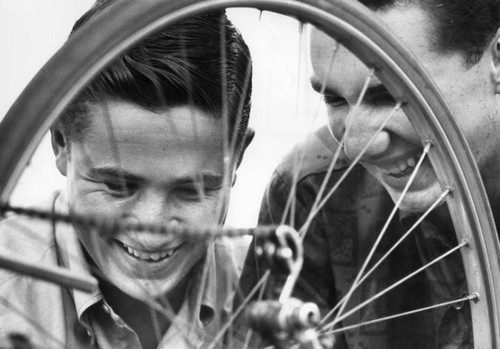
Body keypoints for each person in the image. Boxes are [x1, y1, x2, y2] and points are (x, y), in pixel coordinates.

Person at [237, 0, 500, 348]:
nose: (356, 145)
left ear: (496, 59)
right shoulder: (310, 189)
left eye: (391, 95)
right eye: (335, 99)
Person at [0, 0, 253, 348]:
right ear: (61, 142)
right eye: (118, 186)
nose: (152, 230)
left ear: (237, 157)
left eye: (192, 190)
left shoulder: (265, 285)